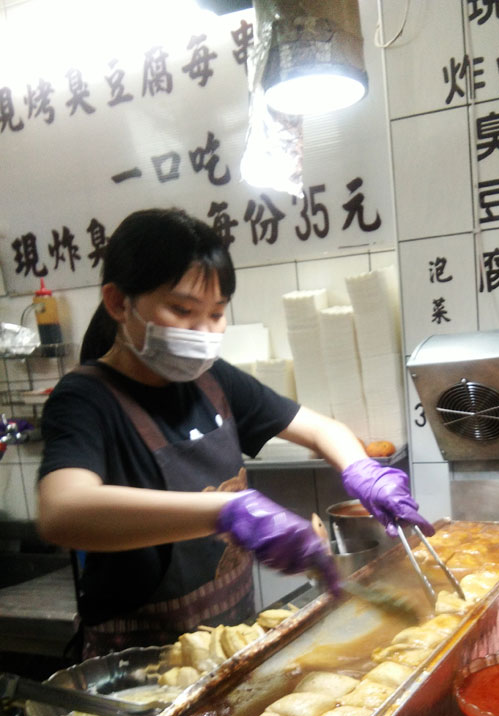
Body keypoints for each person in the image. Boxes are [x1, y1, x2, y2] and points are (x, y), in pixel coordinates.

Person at [37, 207, 432, 659]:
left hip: (231, 645)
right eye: (183, 310)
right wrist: (229, 511)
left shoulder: (214, 381)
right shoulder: (85, 398)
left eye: (218, 313)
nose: (205, 332)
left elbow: (322, 429)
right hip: (139, 668)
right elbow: (62, 511)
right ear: (118, 302)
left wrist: (362, 470)